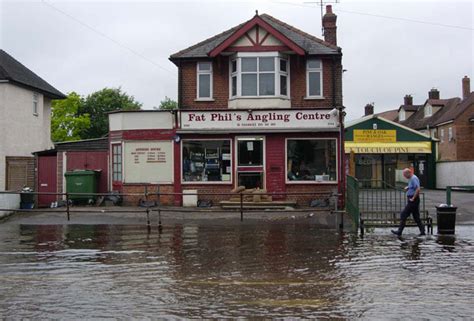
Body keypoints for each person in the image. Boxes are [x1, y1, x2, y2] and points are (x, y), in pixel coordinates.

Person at [391, 168, 425, 236]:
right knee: (416, 217)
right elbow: (413, 187)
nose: (404, 176)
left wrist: (413, 198)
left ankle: (399, 231)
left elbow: (418, 189)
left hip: (413, 200)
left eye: (404, 175)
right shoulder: (411, 178)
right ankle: (422, 231)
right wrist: (408, 187)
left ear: (408, 173)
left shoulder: (413, 178)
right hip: (412, 199)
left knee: (403, 214)